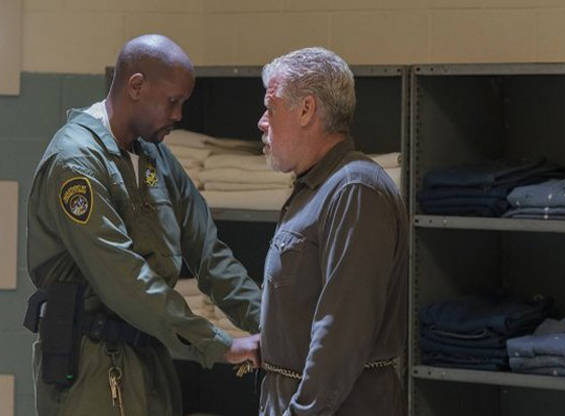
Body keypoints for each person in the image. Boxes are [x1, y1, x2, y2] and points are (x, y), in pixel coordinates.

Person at [24, 34, 261, 416]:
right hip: (93, 367)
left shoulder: (156, 159)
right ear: (136, 86)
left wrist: (270, 326)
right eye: (173, 101)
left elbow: (210, 255)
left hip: (151, 358)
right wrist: (219, 344)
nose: (179, 115)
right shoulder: (76, 162)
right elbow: (124, 279)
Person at [257, 47, 409, 416]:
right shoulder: (316, 187)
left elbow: (341, 332)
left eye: (271, 108)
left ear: (306, 110)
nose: (262, 122)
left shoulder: (355, 190)